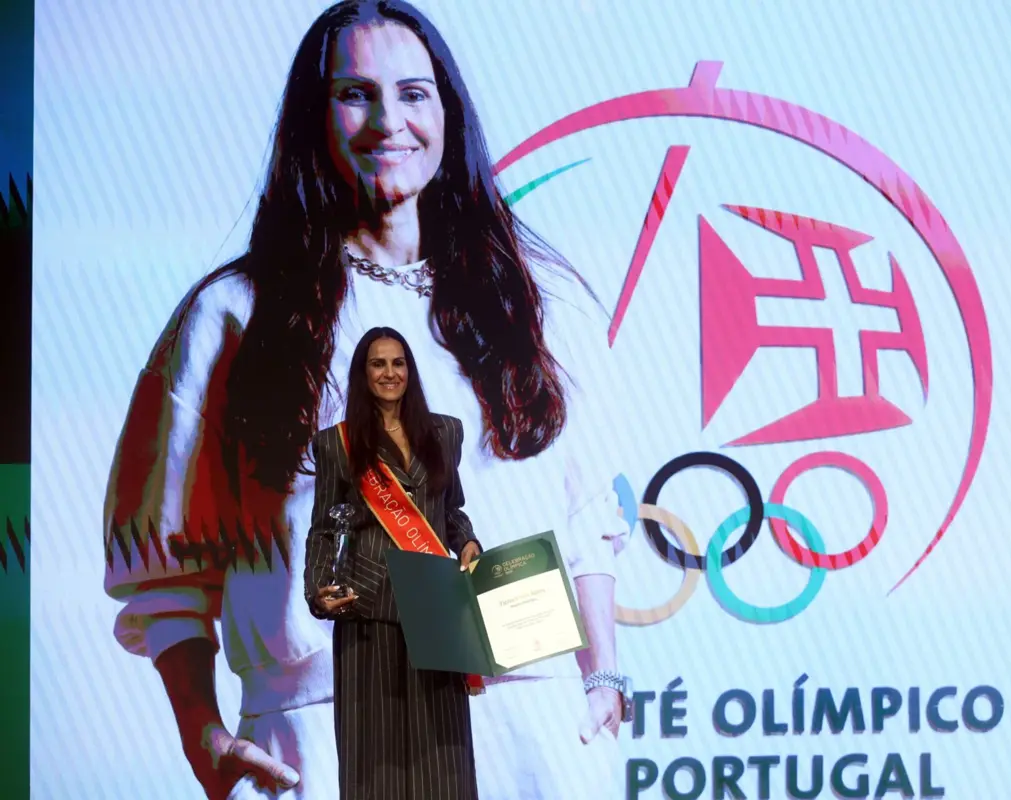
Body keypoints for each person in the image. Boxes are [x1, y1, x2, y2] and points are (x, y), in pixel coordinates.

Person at [101, 1, 628, 798]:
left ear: (448, 113)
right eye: (357, 93)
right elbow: (167, 568)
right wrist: (203, 734)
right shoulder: (234, 313)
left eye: (415, 93)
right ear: (314, 119)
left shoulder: (530, 300)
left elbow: (586, 522)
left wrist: (604, 681)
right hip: (323, 735)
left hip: (530, 734)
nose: (390, 120)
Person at [304, 327, 480, 799]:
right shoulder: (337, 444)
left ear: (410, 370)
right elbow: (323, 528)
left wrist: (467, 544)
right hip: (368, 614)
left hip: (436, 613)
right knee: (373, 763)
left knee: (443, 762)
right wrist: (319, 590)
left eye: (398, 363)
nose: (389, 373)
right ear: (363, 374)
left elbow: (452, 511)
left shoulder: (444, 432)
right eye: (378, 364)